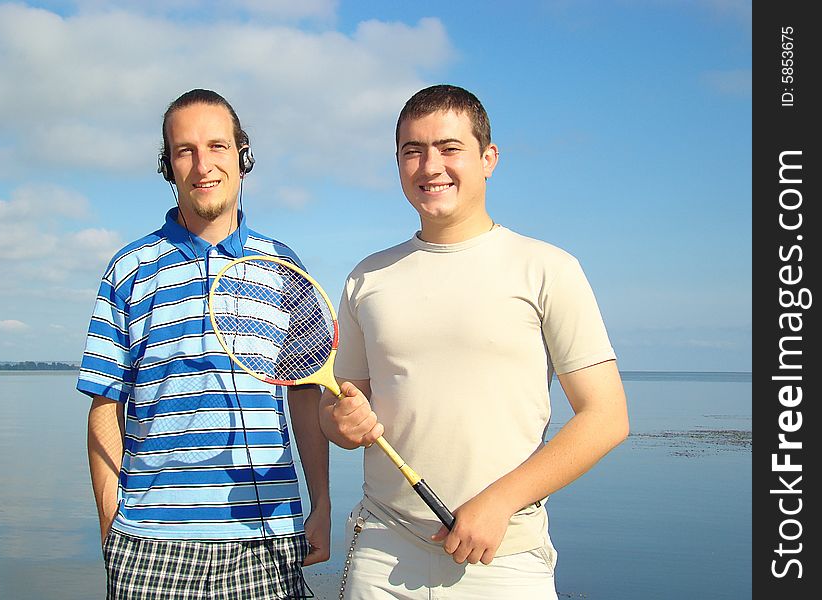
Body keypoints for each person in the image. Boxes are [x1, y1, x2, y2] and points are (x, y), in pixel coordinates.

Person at [319, 84, 629, 599]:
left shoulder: (548, 268)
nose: (430, 166)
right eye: (412, 151)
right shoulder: (366, 278)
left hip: (506, 554)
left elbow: (607, 416)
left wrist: (500, 503)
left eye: (449, 148)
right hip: (382, 548)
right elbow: (338, 407)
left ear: (488, 159)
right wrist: (340, 421)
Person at [78, 88, 330, 599]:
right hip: (151, 545)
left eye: (217, 146)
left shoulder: (282, 265)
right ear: (169, 167)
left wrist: (321, 502)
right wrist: (112, 527)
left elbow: (305, 392)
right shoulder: (129, 268)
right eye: (184, 151)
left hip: (269, 539)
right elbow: (106, 405)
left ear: (243, 156)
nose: (202, 165)